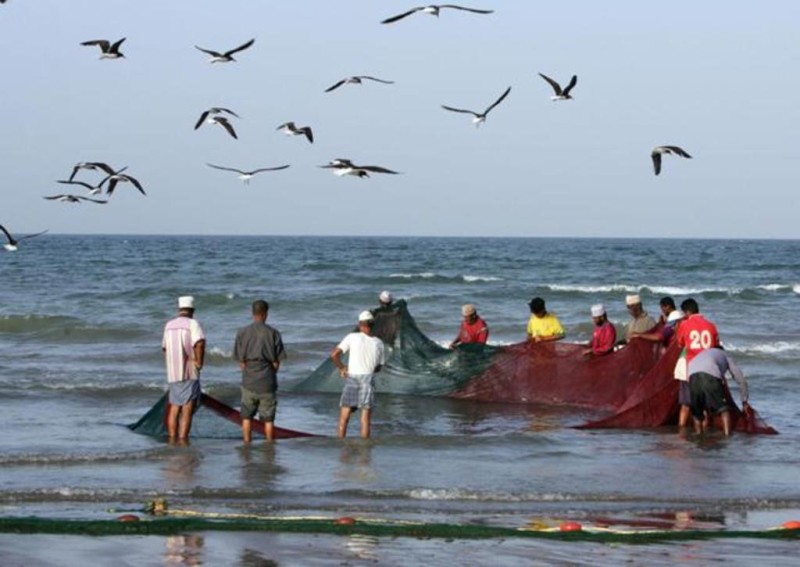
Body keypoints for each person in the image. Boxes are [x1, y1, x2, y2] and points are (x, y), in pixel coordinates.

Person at [233, 300, 286, 443]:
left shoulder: (242, 332)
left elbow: (241, 362)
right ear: (266, 314)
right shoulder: (273, 333)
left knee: (246, 416)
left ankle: (246, 445)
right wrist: (270, 373)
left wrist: (249, 371)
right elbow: (276, 363)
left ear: (253, 313)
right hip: (267, 380)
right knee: (268, 419)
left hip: (249, 380)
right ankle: (269, 446)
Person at [331, 310, 386, 438]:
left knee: (344, 419)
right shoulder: (379, 343)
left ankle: (341, 449)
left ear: (360, 324)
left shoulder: (352, 337)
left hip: (352, 378)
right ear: (372, 325)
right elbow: (379, 367)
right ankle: (364, 453)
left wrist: (342, 368)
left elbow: (334, 355)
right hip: (368, 379)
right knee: (365, 421)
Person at [162, 296, 205, 442]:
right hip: (189, 372)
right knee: (187, 408)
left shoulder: (168, 325)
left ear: (179, 309)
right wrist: (199, 362)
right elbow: (199, 343)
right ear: (192, 310)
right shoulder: (193, 324)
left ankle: (172, 438)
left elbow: (165, 348)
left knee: (174, 408)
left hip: (173, 373)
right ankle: (182, 439)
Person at [688, 346, 750, 436]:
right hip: (709, 375)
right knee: (723, 409)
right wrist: (744, 401)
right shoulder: (725, 355)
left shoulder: (703, 354)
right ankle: (727, 436)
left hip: (692, 376)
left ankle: (699, 436)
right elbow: (740, 378)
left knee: (697, 412)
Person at [677, 298, 720, 363]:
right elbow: (716, 346)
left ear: (687, 312)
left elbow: (680, 344)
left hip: (693, 364)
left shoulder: (684, 324)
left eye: (684, 313)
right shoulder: (711, 325)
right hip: (709, 363)